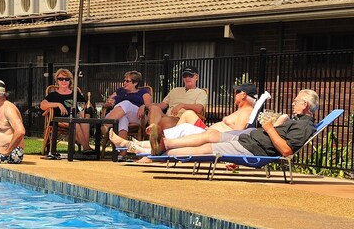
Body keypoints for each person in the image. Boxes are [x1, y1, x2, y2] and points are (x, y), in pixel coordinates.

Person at [163, 89, 318, 159]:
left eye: (296, 101)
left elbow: (286, 150)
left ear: (305, 105)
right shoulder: (296, 121)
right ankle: (167, 143)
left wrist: (269, 128)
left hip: (252, 147)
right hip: (249, 137)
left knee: (205, 148)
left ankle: (161, 153)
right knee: (210, 134)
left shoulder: (304, 126)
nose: (293, 103)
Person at [110, 83, 260, 155]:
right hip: (207, 133)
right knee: (181, 127)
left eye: (237, 92)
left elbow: (238, 135)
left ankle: (134, 145)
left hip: (208, 136)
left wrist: (213, 135)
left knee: (184, 127)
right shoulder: (242, 110)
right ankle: (137, 145)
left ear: (244, 95)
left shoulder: (246, 112)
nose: (235, 95)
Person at [143, 65, 208, 140]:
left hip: (181, 120)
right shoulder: (175, 90)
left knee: (164, 121)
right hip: (167, 117)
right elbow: (162, 105)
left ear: (196, 77)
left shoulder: (200, 92)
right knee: (154, 108)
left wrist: (182, 105)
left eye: (190, 75)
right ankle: (154, 133)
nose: (187, 78)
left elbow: (199, 108)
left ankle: (154, 136)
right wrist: (145, 106)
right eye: (185, 75)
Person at [39, 68, 91, 155]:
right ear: (57, 81)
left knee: (85, 123)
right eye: (60, 79)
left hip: (75, 118)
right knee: (76, 124)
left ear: (70, 81)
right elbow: (42, 105)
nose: (64, 81)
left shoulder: (75, 94)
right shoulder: (53, 95)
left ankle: (86, 148)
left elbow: (84, 105)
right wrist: (58, 104)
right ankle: (86, 148)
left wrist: (82, 112)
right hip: (59, 121)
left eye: (66, 79)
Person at [102, 70, 152, 140]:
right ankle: (122, 149)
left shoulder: (143, 92)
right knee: (123, 119)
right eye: (124, 80)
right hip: (116, 115)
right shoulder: (120, 91)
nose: (124, 83)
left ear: (135, 83)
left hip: (138, 116)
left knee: (126, 103)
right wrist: (109, 103)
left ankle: (106, 126)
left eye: (127, 81)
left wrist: (143, 106)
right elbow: (107, 103)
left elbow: (149, 105)